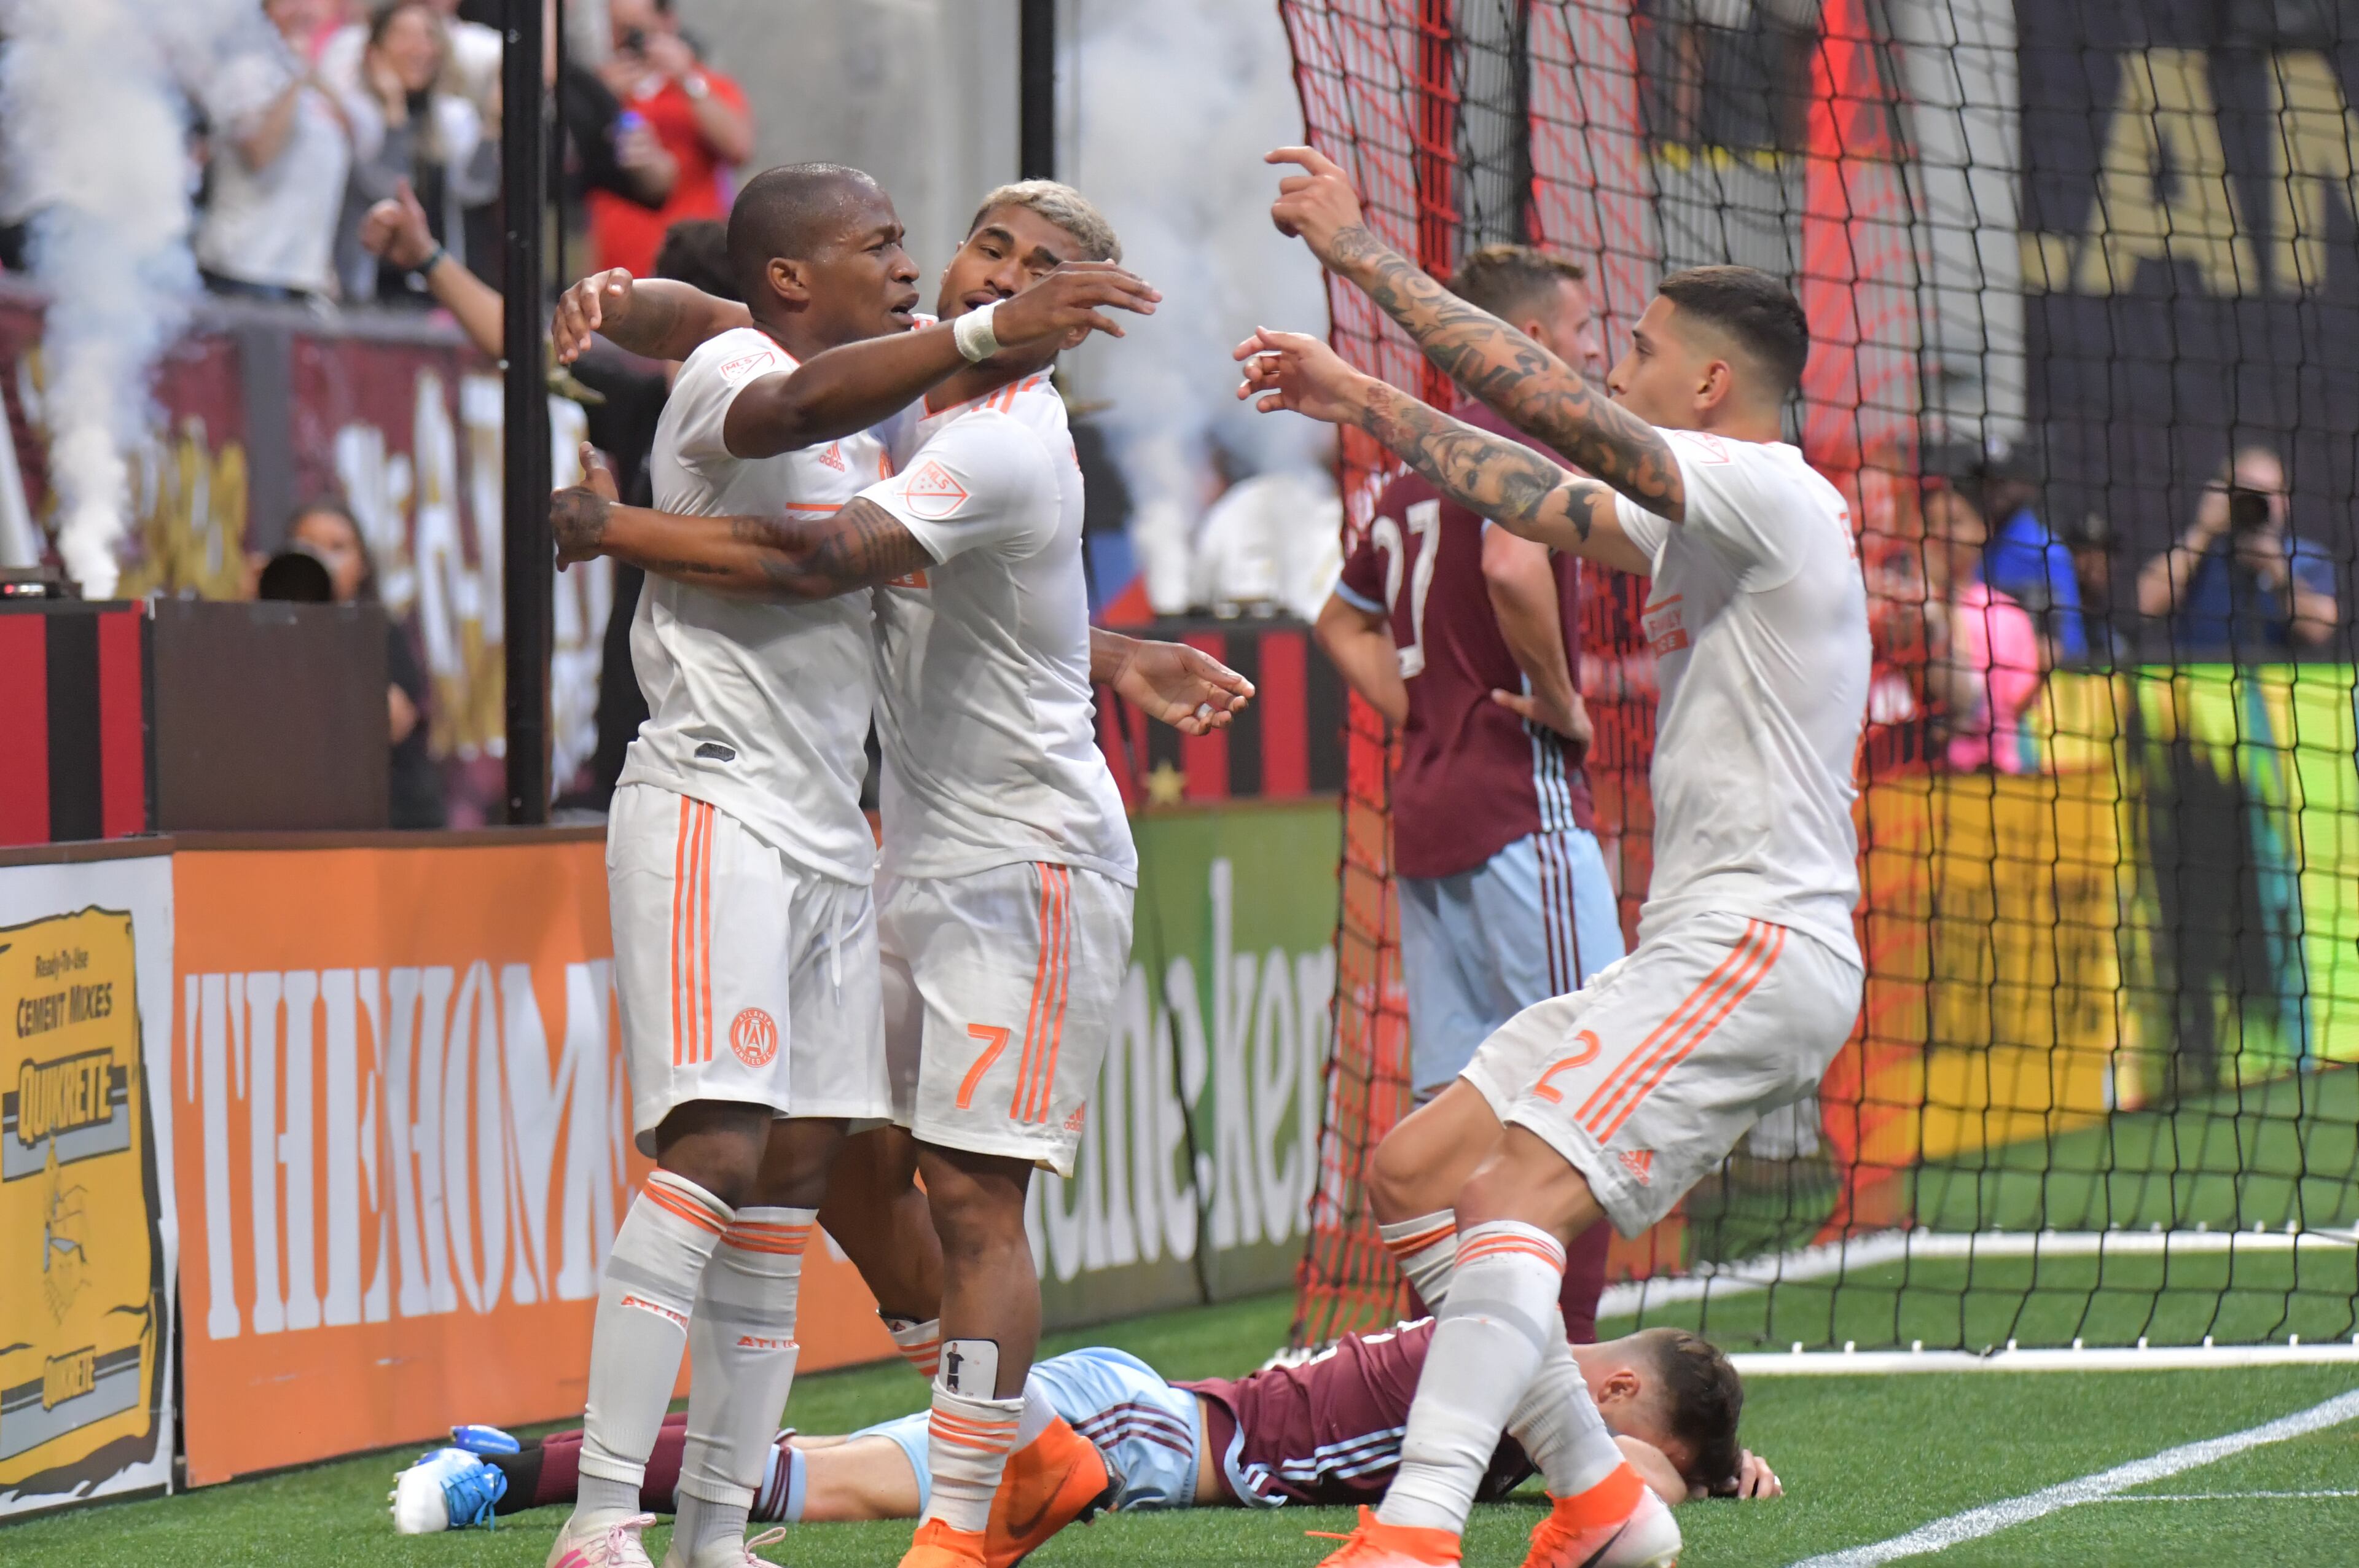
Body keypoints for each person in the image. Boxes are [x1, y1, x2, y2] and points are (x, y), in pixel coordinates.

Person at [546, 182, 1240, 1568]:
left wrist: (605, 526)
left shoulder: (983, 436)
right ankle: (624, 1522)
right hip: (776, 817)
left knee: (944, 1192)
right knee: (807, 1160)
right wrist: (621, 302)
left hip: (1006, 857)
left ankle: (959, 1517)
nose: (961, 275)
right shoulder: (864, 392)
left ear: (1076, 322)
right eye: (981, 249)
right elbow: (746, 340)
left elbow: (823, 561)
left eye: (1041, 274)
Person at [1238, 145, 1868, 1568]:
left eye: (1637, 351)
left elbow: (1552, 419)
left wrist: (1360, 258)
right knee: (1419, 1169)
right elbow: (1528, 493)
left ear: (1707, 385)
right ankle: (1596, 1501)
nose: (1615, 368)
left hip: (1756, 940)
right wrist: (1358, 399)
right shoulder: (1716, 509)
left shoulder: (1764, 487)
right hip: (1700, 945)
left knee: (1515, 1196)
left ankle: (1412, 1529)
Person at [391, 1322, 1777, 1539]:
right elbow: (1627, 1503)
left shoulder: (1521, 1338)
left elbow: (1624, 1476)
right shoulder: (1532, 1361)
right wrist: (1702, 1474)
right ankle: (525, 1472)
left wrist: (1719, 1458)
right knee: (852, 1488)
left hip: (1144, 1423)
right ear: (1617, 1397)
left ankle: (527, 1459)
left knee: (828, 1472)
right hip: (1147, 1428)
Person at [276, 500, 447, 829]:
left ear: (362, 564)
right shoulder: (270, 632)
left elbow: (392, 719)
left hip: (390, 821)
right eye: (308, 547)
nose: (323, 560)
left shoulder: (380, 630)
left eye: (337, 548)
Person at [334, 1, 498, 306]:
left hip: (435, 293)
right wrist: (394, 112)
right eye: (403, 35)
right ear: (375, 51)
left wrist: (491, 128)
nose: (419, 48)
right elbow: (381, 187)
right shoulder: (356, 112)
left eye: (428, 36)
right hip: (367, 292)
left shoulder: (451, 117)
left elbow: (476, 191)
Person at [194, 0, 352, 302]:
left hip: (302, 276)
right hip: (244, 271)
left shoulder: (315, 78)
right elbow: (261, 154)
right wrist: (296, 76)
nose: (302, 10)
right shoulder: (244, 71)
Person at [588, 0, 754, 279]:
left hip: (694, 265)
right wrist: (600, 96)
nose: (625, 41)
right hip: (617, 266)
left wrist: (686, 77)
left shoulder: (706, 86)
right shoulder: (600, 90)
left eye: (636, 30)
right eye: (615, 28)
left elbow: (739, 147)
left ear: (666, 23)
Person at [2134, 443, 2338, 657]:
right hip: (2202, 683)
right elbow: (2144, 606)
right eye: (2249, 494)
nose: (2259, 505)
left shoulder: (2304, 556)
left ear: (2285, 501)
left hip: (2278, 685)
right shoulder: (2199, 554)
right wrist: (2202, 531)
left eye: (2270, 494)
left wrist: (2277, 569)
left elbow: (2319, 631)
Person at [1923, 476, 2043, 774]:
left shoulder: (2008, 615)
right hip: (1926, 773)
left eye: (1954, 522)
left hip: (1999, 772)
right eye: (1932, 522)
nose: (1941, 533)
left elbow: (2017, 704)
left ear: (1983, 529)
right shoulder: (1911, 602)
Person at [1971, 445, 2086, 665]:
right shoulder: (1971, 547)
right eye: (1985, 481)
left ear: (2026, 486)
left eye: (2003, 481)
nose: (1993, 490)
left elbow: (2069, 643)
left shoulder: (2047, 553)